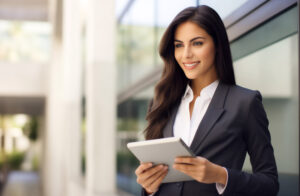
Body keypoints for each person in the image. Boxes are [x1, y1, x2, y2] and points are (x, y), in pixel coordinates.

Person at [134, 5, 279, 196]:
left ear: (217, 45)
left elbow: (270, 184)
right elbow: (157, 183)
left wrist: (221, 175)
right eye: (179, 45)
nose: (186, 54)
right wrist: (148, 187)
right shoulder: (163, 103)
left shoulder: (245, 103)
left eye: (197, 43)